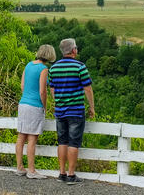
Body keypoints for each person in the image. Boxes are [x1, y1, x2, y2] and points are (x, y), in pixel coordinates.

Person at [47, 38, 95, 185]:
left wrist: (59, 101)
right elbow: (87, 88)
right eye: (76, 47)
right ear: (73, 50)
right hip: (75, 111)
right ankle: (71, 175)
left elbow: (52, 89)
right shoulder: (80, 66)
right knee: (73, 143)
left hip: (60, 110)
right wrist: (92, 107)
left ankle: (62, 173)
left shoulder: (53, 68)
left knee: (62, 142)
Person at [14, 45, 55, 179]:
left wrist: (27, 96)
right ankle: (31, 171)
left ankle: (20, 167)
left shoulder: (28, 65)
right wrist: (44, 106)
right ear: (50, 55)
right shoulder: (44, 69)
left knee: (21, 137)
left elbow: (22, 86)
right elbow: (43, 91)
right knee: (32, 138)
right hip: (35, 106)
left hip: (23, 104)